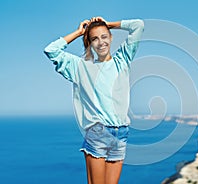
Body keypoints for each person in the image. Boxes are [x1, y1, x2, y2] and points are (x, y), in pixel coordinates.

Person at [44, 16, 144, 184]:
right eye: (94, 39)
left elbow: (138, 25)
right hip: (98, 132)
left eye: (104, 36)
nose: (101, 42)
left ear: (111, 37)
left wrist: (109, 24)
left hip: (121, 133)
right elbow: (51, 50)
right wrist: (78, 32)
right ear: (89, 43)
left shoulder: (122, 60)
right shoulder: (80, 66)